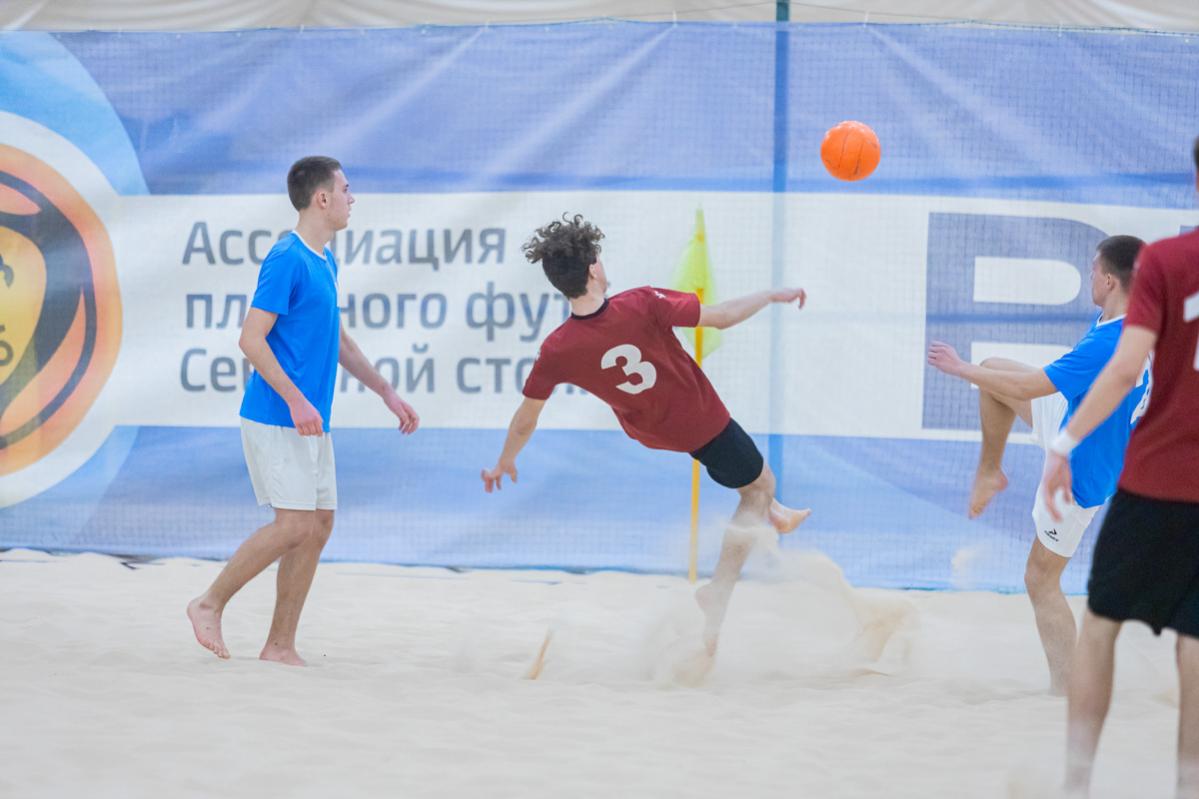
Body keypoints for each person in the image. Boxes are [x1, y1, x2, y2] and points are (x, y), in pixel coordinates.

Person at [481, 213, 809, 653]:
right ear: (593, 269)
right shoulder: (640, 303)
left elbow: (527, 417)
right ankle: (719, 589)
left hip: (652, 429)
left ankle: (776, 512)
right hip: (700, 420)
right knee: (760, 486)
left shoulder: (557, 347)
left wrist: (506, 460)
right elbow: (722, 317)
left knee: (742, 474)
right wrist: (770, 294)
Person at [187, 156, 420, 666]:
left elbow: (337, 341)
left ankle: (279, 645)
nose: (352, 198)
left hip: (310, 421)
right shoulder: (286, 257)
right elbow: (251, 339)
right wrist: (295, 399)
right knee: (294, 525)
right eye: (346, 189)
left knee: (319, 524)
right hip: (277, 416)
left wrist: (386, 391)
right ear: (322, 198)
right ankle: (208, 603)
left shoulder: (325, 260)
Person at [1042, 137, 1199, 797]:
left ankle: (1076, 784)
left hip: (1157, 478)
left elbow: (1125, 368)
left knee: (1101, 626)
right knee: (1194, 646)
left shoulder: (1167, 260)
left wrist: (1063, 444)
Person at [927, 235, 1149, 694]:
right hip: (1075, 420)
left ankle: (1066, 688)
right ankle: (990, 471)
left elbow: (1029, 388)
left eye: (1093, 269)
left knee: (1040, 579)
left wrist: (959, 368)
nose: (1089, 275)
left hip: (1080, 472)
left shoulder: (1109, 342)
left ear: (1110, 280)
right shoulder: (1131, 321)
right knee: (995, 370)